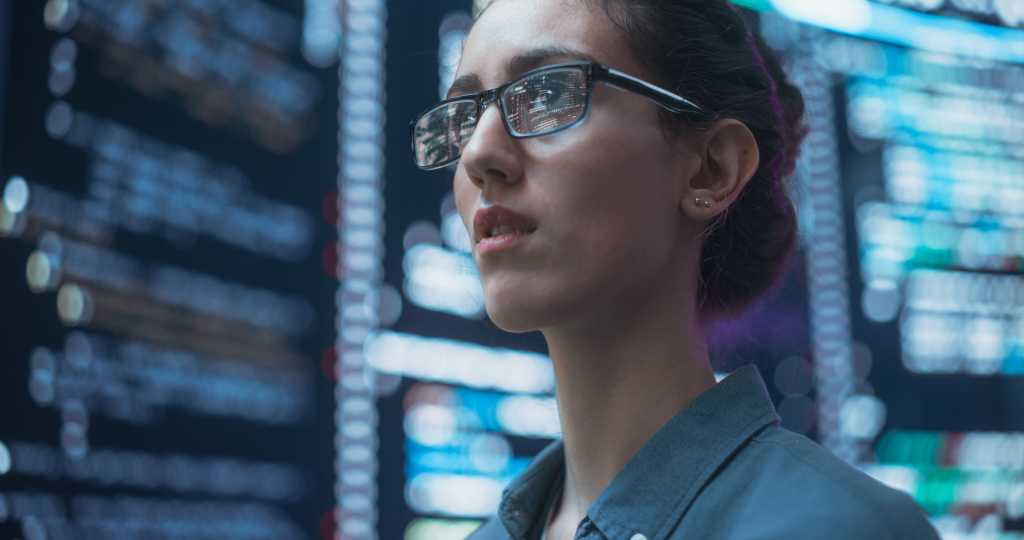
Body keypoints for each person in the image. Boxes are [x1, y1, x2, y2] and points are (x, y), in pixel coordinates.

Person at [410, 0, 942, 538]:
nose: (477, 154)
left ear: (712, 169)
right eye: (464, 118)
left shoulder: (845, 528)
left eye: (548, 94)